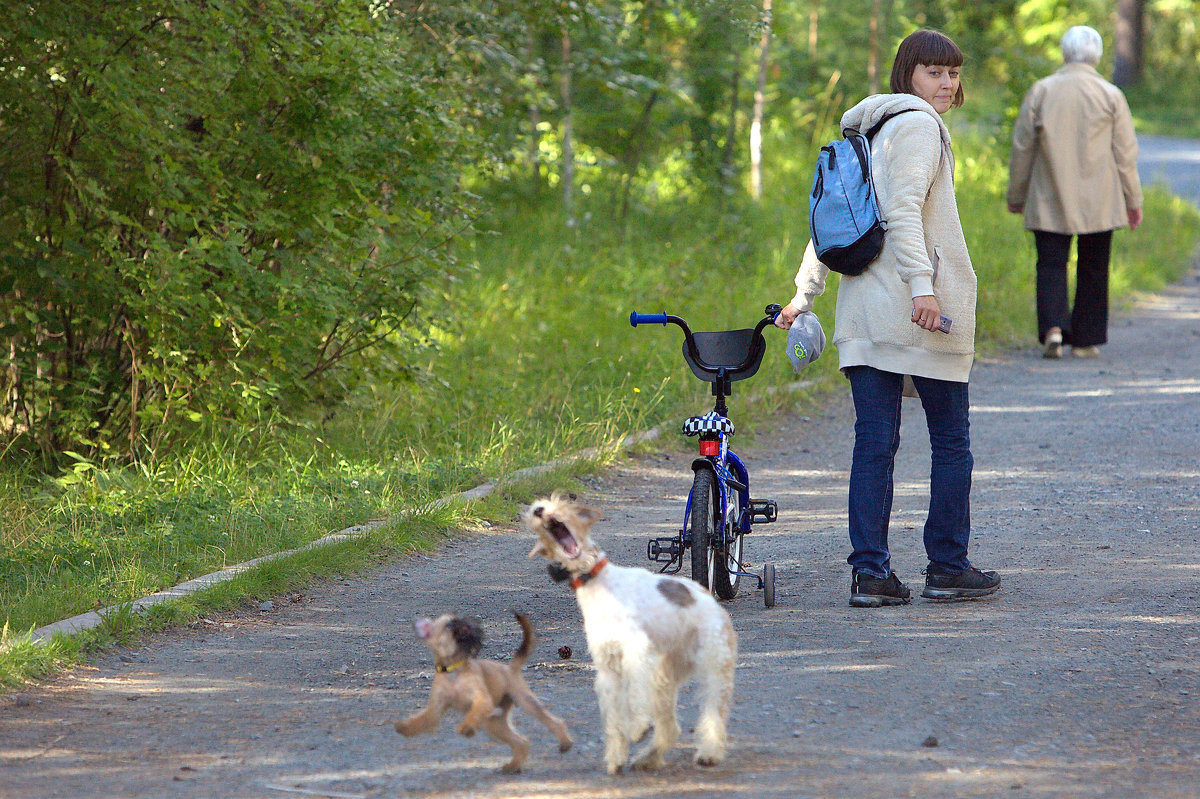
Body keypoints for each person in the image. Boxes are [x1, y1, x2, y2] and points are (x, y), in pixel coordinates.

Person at [775, 29, 1000, 608]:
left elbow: (833, 218)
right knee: (951, 441)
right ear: (908, 75)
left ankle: (870, 576)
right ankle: (947, 566)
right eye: (933, 72)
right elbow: (900, 211)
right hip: (917, 312)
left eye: (952, 72)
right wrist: (924, 288)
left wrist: (805, 294)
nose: (946, 84)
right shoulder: (921, 126)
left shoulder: (867, 130)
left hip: (864, 311)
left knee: (874, 443)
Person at [1007, 25, 1143, 359]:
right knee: (1095, 266)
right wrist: (1133, 201)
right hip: (1100, 198)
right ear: (1096, 55)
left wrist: (1016, 193)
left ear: (1065, 53)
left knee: (1051, 263)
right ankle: (1085, 339)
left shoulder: (1042, 90)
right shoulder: (1110, 94)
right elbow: (1125, 153)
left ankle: (1053, 329)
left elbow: (1022, 146)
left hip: (1048, 193)